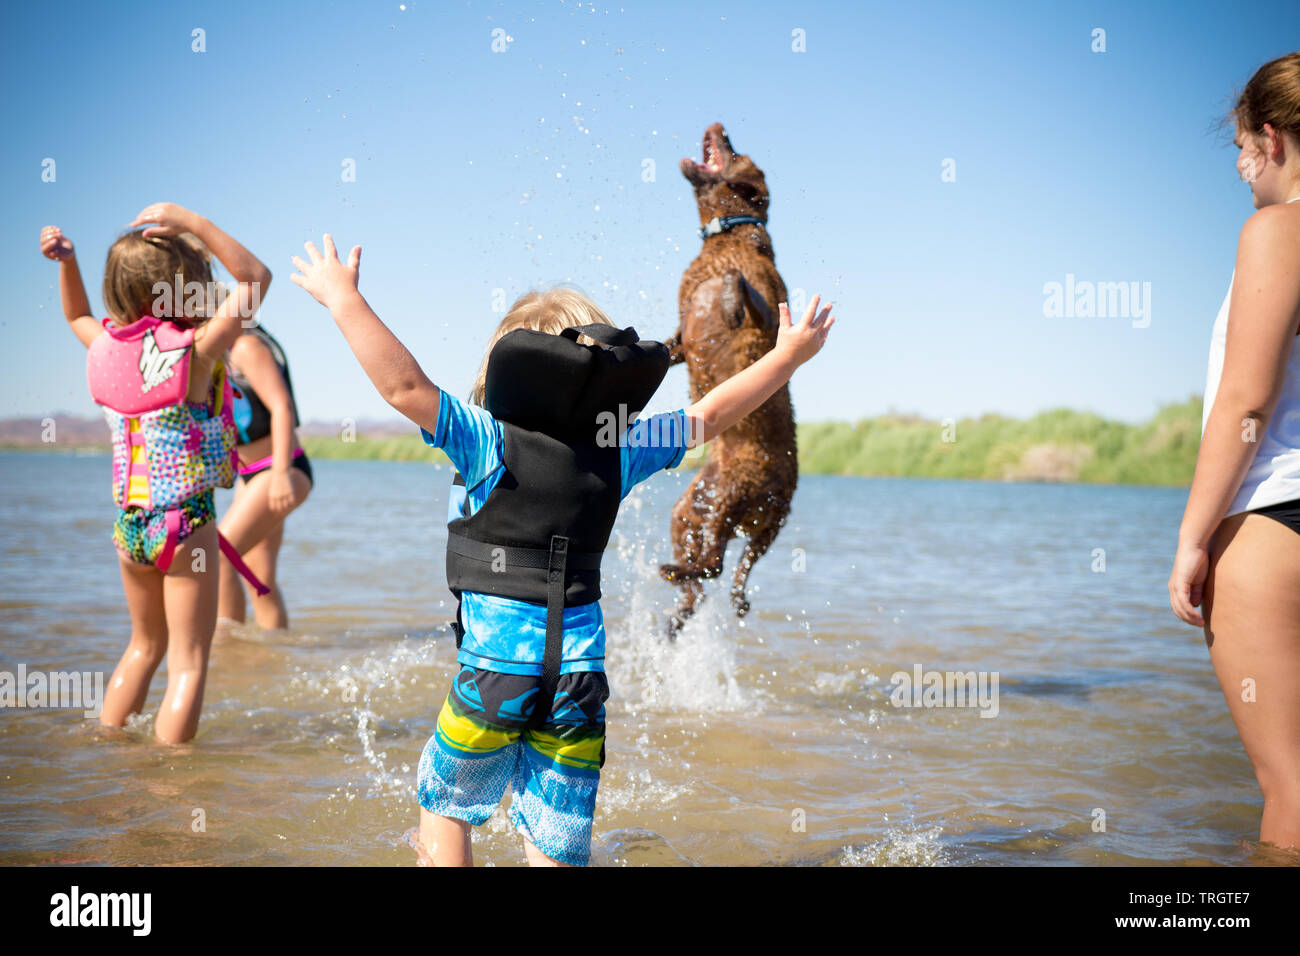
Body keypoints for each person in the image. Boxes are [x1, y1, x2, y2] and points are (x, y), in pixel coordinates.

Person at [290, 234, 834, 866]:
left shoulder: (486, 441)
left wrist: (343, 299)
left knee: (444, 810)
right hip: (579, 680)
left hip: (496, 671)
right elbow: (709, 414)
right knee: (553, 842)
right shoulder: (619, 450)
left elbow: (402, 386)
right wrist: (787, 359)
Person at [40, 202, 272, 744]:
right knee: (189, 663)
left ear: (116, 292)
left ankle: (107, 749)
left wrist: (66, 263)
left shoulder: (104, 349)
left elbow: (75, 315)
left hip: (129, 529)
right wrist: (193, 223)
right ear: (183, 287)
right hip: (184, 525)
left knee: (144, 646)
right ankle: (169, 788)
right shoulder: (195, 354)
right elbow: (256, 279)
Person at [1169, 52, 1300, 852]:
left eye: (1242, 152)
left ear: (1273, 139)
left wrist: (1191, 539)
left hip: (1275, 525)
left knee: (1290, 786)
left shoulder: (1277, 231)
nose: (1242, 171)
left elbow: (1246, 403)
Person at [216, 324, 313, 630]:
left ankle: (227, 652)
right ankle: (272, 657)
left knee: (220, 555)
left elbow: (281, 407)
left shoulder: (245, 345)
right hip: (250, 475)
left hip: (279, 468)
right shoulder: (215, 354)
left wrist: (281, 473)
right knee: (259, 577)